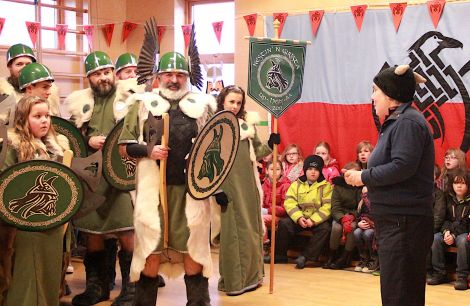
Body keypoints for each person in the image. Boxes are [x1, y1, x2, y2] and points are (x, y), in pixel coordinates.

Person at [118, 51, 216, 305]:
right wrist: (149, 151)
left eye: (180, 75)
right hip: (154, 193)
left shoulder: (201, 106)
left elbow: (214, 149)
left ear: (187, 77)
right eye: (169, 74)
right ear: (159, 76)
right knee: (150, 251)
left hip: (190, 192)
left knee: (193, 250)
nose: (174, 80)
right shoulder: (142, 104)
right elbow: (123, 146)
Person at [344, 64, 433, 306]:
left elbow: (402, 167)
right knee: (400, 289)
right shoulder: (400, 121)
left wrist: (363, 177)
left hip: (403, 222)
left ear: (390, 95)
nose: (372, 96)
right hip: (398, 221)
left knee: (400, 291)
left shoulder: (407, 123)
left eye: (376, 91)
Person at [64, 51, 143, 306]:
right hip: (91, 175)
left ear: (113, 73)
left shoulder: (130, 99)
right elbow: (71, 137)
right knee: (92, 232)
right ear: (89, 78)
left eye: (106, 72)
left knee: (126, 230)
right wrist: (87, 139)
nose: (103, 77)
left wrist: (113, 143)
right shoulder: (79, 104)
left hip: (120, 174)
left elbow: (138, 132)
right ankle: (97, 287)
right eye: (97, 74)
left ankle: (132, 289)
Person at [0, 96, 69, 306]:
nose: (44, 121)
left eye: (47, 116)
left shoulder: (54, 147)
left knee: (50, 274)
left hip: (53, 226)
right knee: (27, 276)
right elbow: (6, 184)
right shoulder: (13, 146)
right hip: (25, 227)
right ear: (23, 118)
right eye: (37, 116)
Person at [214, 85, 275, 296]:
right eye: (231, 101)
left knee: (251, 229)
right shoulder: (215, 127)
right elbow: (207, 162)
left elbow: (258, 151)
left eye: (238, 103)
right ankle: (234, 281)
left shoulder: (246, 125)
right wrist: (216, 190)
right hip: (227, 187)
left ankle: (253, 277)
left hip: (248, 185)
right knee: (233, 234)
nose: (235, 106)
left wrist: (271, 144)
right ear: (222, 100)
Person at [267, 154, 332, 269]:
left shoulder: (326, 186)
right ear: (305, 170)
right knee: (284, 224)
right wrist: (298, 217)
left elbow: (327, 207)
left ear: (320, 171)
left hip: (315, 220)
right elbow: (289, 202)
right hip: (300, 218)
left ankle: (306, 257)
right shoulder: (296, 184)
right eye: (310, 169)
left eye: (316, 170)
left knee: (325, 229)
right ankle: (279, 255)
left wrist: (313, 220)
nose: (313, 172)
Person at [427, 169, 469, 290]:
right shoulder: (448, 197)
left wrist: (454, 234)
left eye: (463, 183)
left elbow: (466, 222)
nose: (459, 186)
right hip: (449, 231)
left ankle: (462, 277)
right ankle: (439, 273)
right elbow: (444, 218)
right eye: (456, 183)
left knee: (463, 241)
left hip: (463, 232)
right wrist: (446, 232)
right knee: (435, 238)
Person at [323, 161, 362, 270]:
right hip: (340, 215)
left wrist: (352, 216)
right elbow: (335, 206)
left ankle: (345, 257)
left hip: (354, 215)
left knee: (352, 228)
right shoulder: (338, 186)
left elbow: (361, 207)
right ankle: (332, 256)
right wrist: (342, 218)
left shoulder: (359, 188)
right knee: (336, 227)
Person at [261, 159, 291, 244]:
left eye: (277, 169)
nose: (274, 172)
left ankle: (265, 246)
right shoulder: (264, 185)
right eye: (271, 169)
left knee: (260, 219)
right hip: (266, 215)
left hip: (280, 217)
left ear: (282, 171)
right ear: (267, 171)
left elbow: (285, 208)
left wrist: (267, 210)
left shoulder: (286, 186)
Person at [353, 186, 379, 273]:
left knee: (368, 234)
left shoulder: (376, 201)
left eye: (367, 194)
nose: (365, 196)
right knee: (357, 233)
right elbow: (358, 215)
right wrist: (359, 223)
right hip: (363, 224)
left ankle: (373, 259)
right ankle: (364, 259)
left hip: (375, 225)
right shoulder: (361, 203)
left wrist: (371, 223)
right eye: (363, 194)